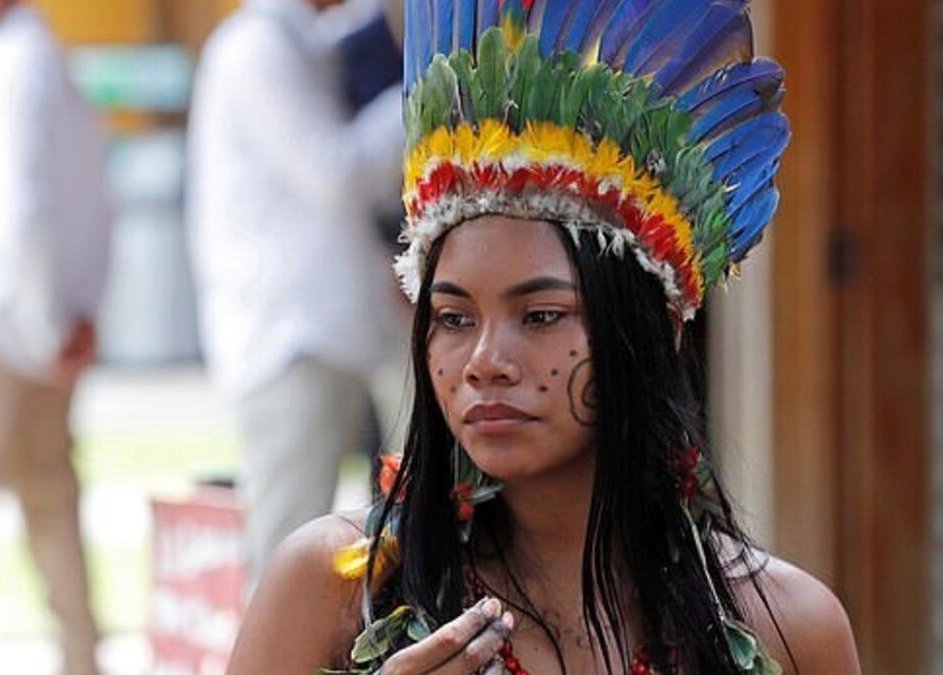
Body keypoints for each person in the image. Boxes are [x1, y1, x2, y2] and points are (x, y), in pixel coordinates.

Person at [227, 0, 862, 673]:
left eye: (540, 316)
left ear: (653, 330)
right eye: (453, 318)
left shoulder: (790, 627)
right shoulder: (329, 587)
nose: (485, 362)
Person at [187, 0, 406, 584]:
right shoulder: (256, 47)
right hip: (290, 340)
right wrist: (418, 91)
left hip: (343, 333)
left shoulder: (311, 40)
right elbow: (335, 171)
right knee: (286, 558)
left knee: (376, 542)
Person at [0, 1, 110, 673]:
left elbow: (24, 208)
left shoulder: (8, 64)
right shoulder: (44, 61)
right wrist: (69, 318)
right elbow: (92, 199)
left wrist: (52, 324)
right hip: (38, 328)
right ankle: (81, 660)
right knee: (51, 506)